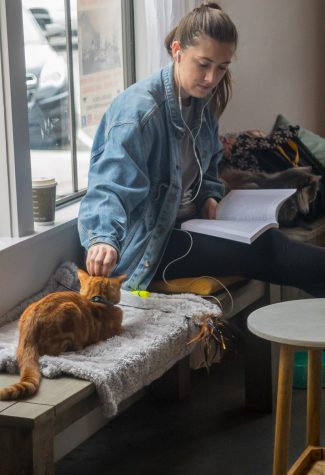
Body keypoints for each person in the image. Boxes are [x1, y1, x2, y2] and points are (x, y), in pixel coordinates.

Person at [78, 2, 325, 297]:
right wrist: (103, 239)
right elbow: (109, 187)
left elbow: (208, 164)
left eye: (221, 68)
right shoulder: (140, 112)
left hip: (188, 225)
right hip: (152, 244)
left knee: (271, 241)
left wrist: (210, 194)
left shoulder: (200, 102)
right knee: (269, 249)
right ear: (177, 51)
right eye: (203, 64)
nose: (212, 78)